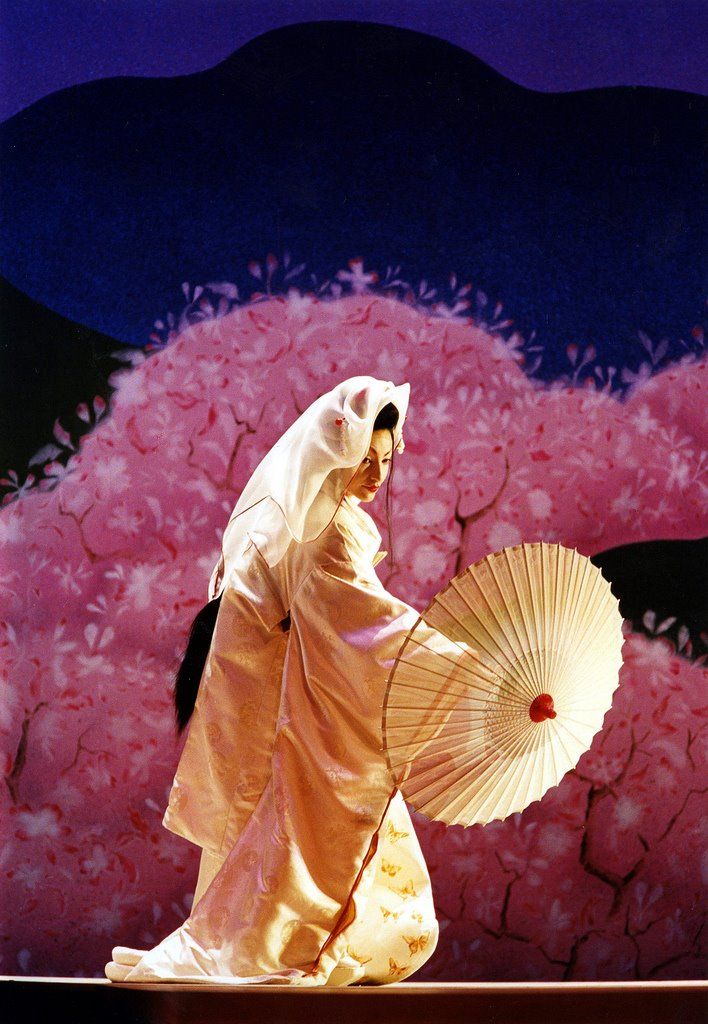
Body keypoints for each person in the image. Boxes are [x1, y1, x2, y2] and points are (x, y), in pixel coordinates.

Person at [104, 375, 473, 986]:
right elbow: (368, 625)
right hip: (283, 705)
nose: (377, 475)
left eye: (386, 460)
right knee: (306, 826)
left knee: (271, 836)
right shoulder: (319, 527)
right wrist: (459, 665)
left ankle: (291, 941)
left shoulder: (317, 510)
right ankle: (286, 945)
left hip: (278, 692)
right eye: (365, 458)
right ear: (336, 451)